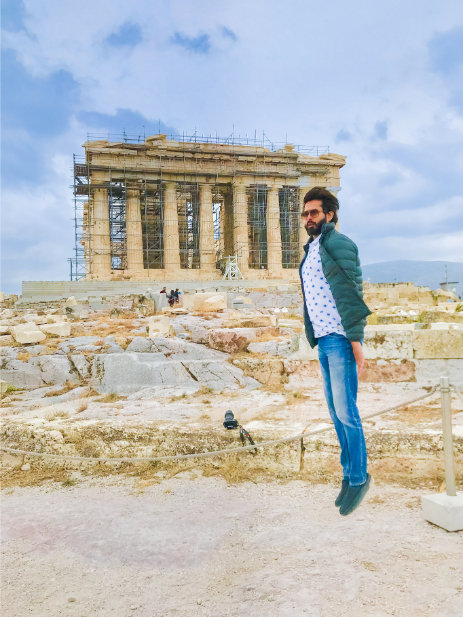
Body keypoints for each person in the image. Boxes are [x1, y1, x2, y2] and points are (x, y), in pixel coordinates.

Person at [299, 187, 372, 516]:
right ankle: (348, 474)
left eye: (314, 212)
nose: (308, 218)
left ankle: (359, 478)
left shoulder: (339, 243)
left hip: (340, 338)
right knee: (335, 413)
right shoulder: (313, 247)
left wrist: (356, 342)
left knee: (347, 413)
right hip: (325, 340)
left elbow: (350, 292)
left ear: (329, 214)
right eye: (305, 213)